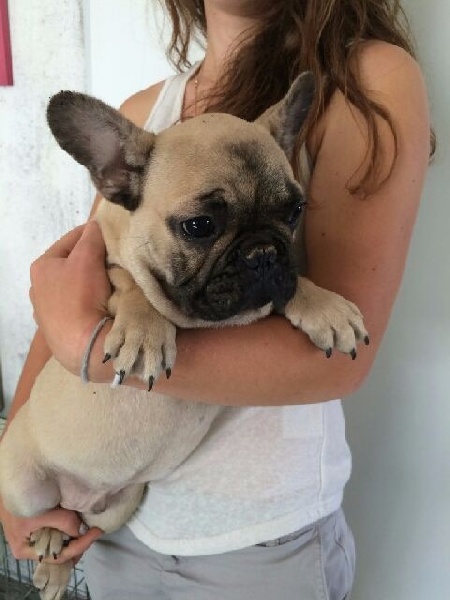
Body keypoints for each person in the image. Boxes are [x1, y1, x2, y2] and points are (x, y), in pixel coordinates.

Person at [0, 0, 431, 598]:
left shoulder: (364, 80)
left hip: (256, 546)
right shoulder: (144, 113)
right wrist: (10, 471)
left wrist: (89, 347)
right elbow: (76, 288)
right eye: (201, 226)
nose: (259, 255)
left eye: (287, 215)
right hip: (124, 533)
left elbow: (341, 356)